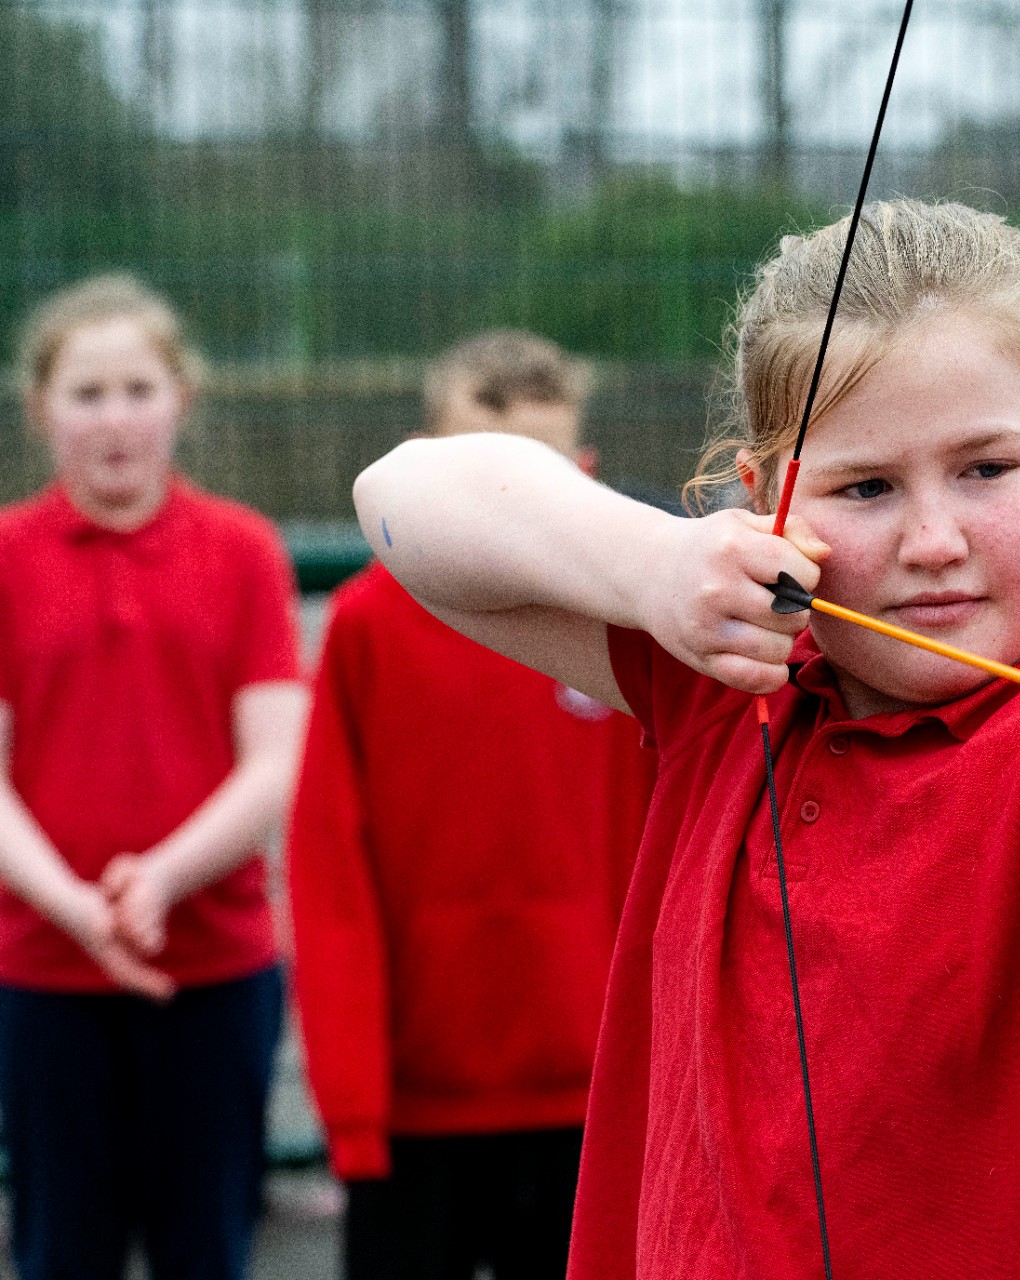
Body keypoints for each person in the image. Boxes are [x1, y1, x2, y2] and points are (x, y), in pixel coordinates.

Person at [351, 201, 1020, 1279]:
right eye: (865, 485)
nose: (934, 540)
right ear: (764, 501)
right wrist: (653, 566)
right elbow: (401, 496)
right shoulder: (729, 672)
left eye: (987, 468)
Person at [287, 331, 650, 1280]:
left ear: (585, 472)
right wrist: (355, 1110)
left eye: (539, 475)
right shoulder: (367, 626)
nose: (510, 508)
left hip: (598, 1100)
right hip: (417, 1111)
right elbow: (329, 874)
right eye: (483, 476)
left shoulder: (630, 632)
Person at [0, 275, 307, 1280]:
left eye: (139, 387)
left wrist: (163, 877)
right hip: (45, 972)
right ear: (42, 406)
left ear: (181, 396)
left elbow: (273, 756)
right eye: (87, 393)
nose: (115, 417)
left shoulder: (243, 550)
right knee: (61, 1247)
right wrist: (77, 905)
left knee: (206, 1246)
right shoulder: (7, 556)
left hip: (212, 966)